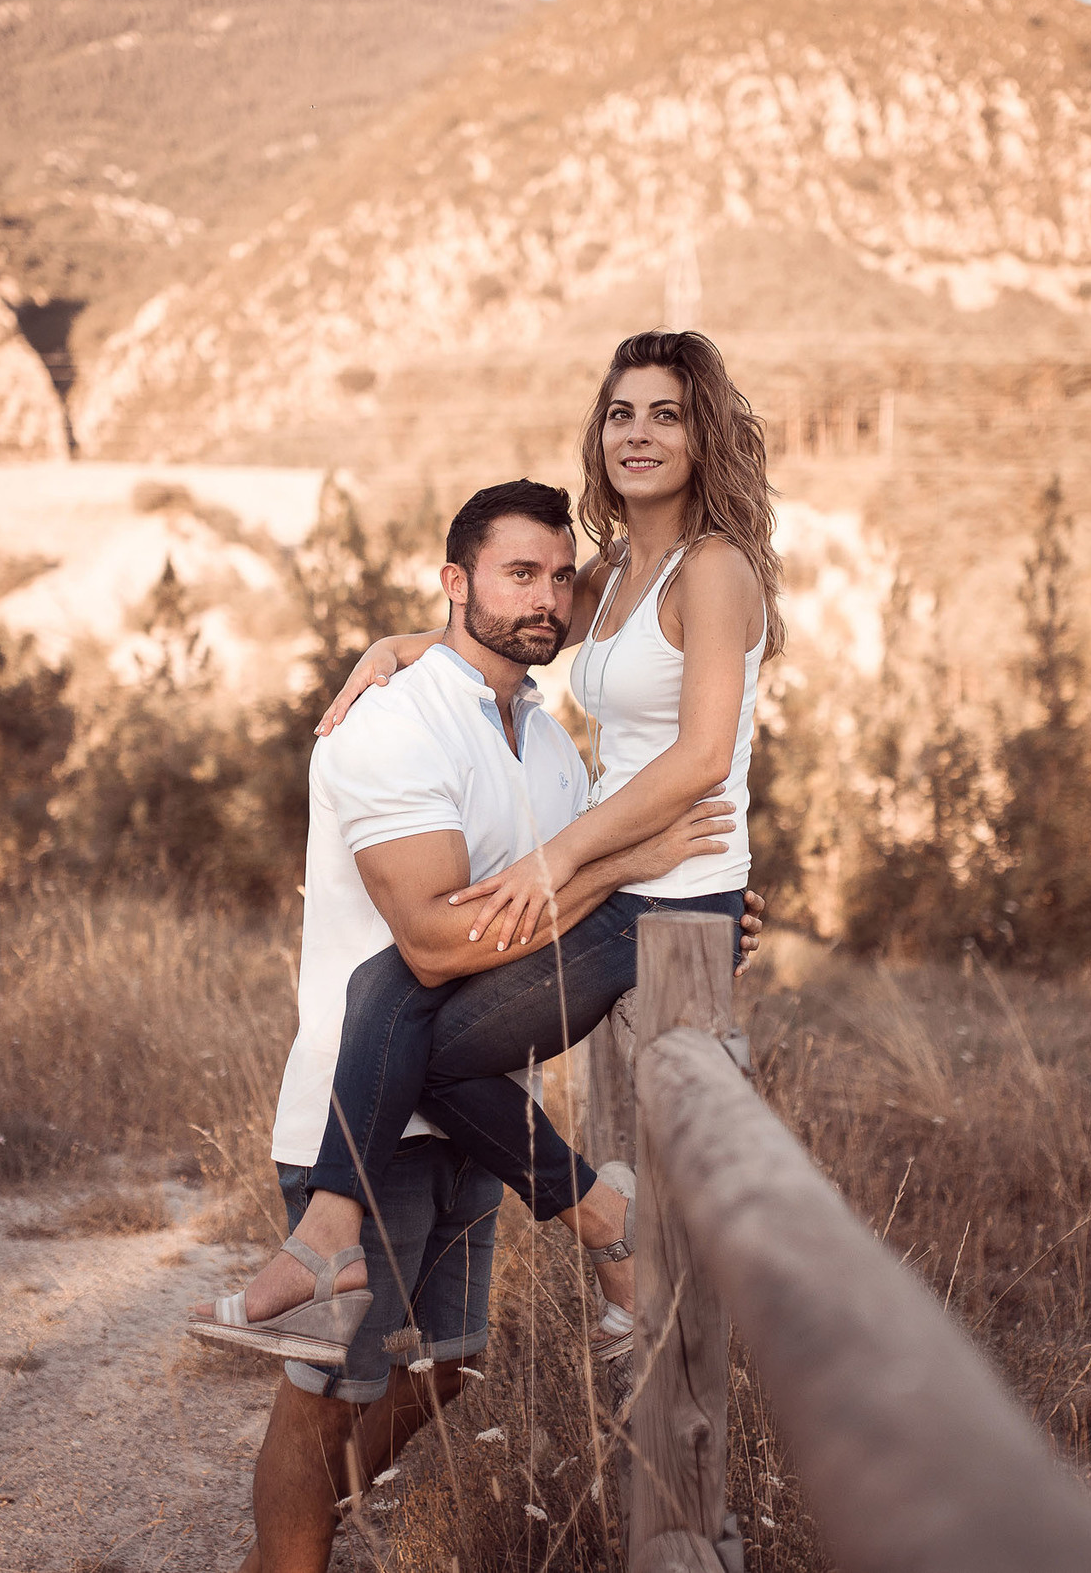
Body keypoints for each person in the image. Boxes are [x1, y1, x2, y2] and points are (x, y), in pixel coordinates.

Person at [193, 480, 760, 1572]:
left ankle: (306, 1529)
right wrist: (624, 874)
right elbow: (438, 944)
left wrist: (683, 903)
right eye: (518, 573)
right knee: (325, 1394)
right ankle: (290, 1546)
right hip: (366, 1114)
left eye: (560, 577)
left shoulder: (547, 744)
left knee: (447, 1365)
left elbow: (566, 911)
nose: (545, 597)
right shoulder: (394, 721)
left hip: (478, 1106)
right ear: (455, 581)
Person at [194, 331, 781, 1367]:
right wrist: (402, 646)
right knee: (390, 983)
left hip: (671, 885)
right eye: (621, 413)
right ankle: (340, 1240)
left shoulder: (715, 567)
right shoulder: (614, 571)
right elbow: (516, 619)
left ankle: (599, 1226)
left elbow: (699, 758)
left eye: (667, 414)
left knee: (421, 1051)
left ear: (705, 435)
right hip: (621, 875)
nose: (638, 434)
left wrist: (562, 861)